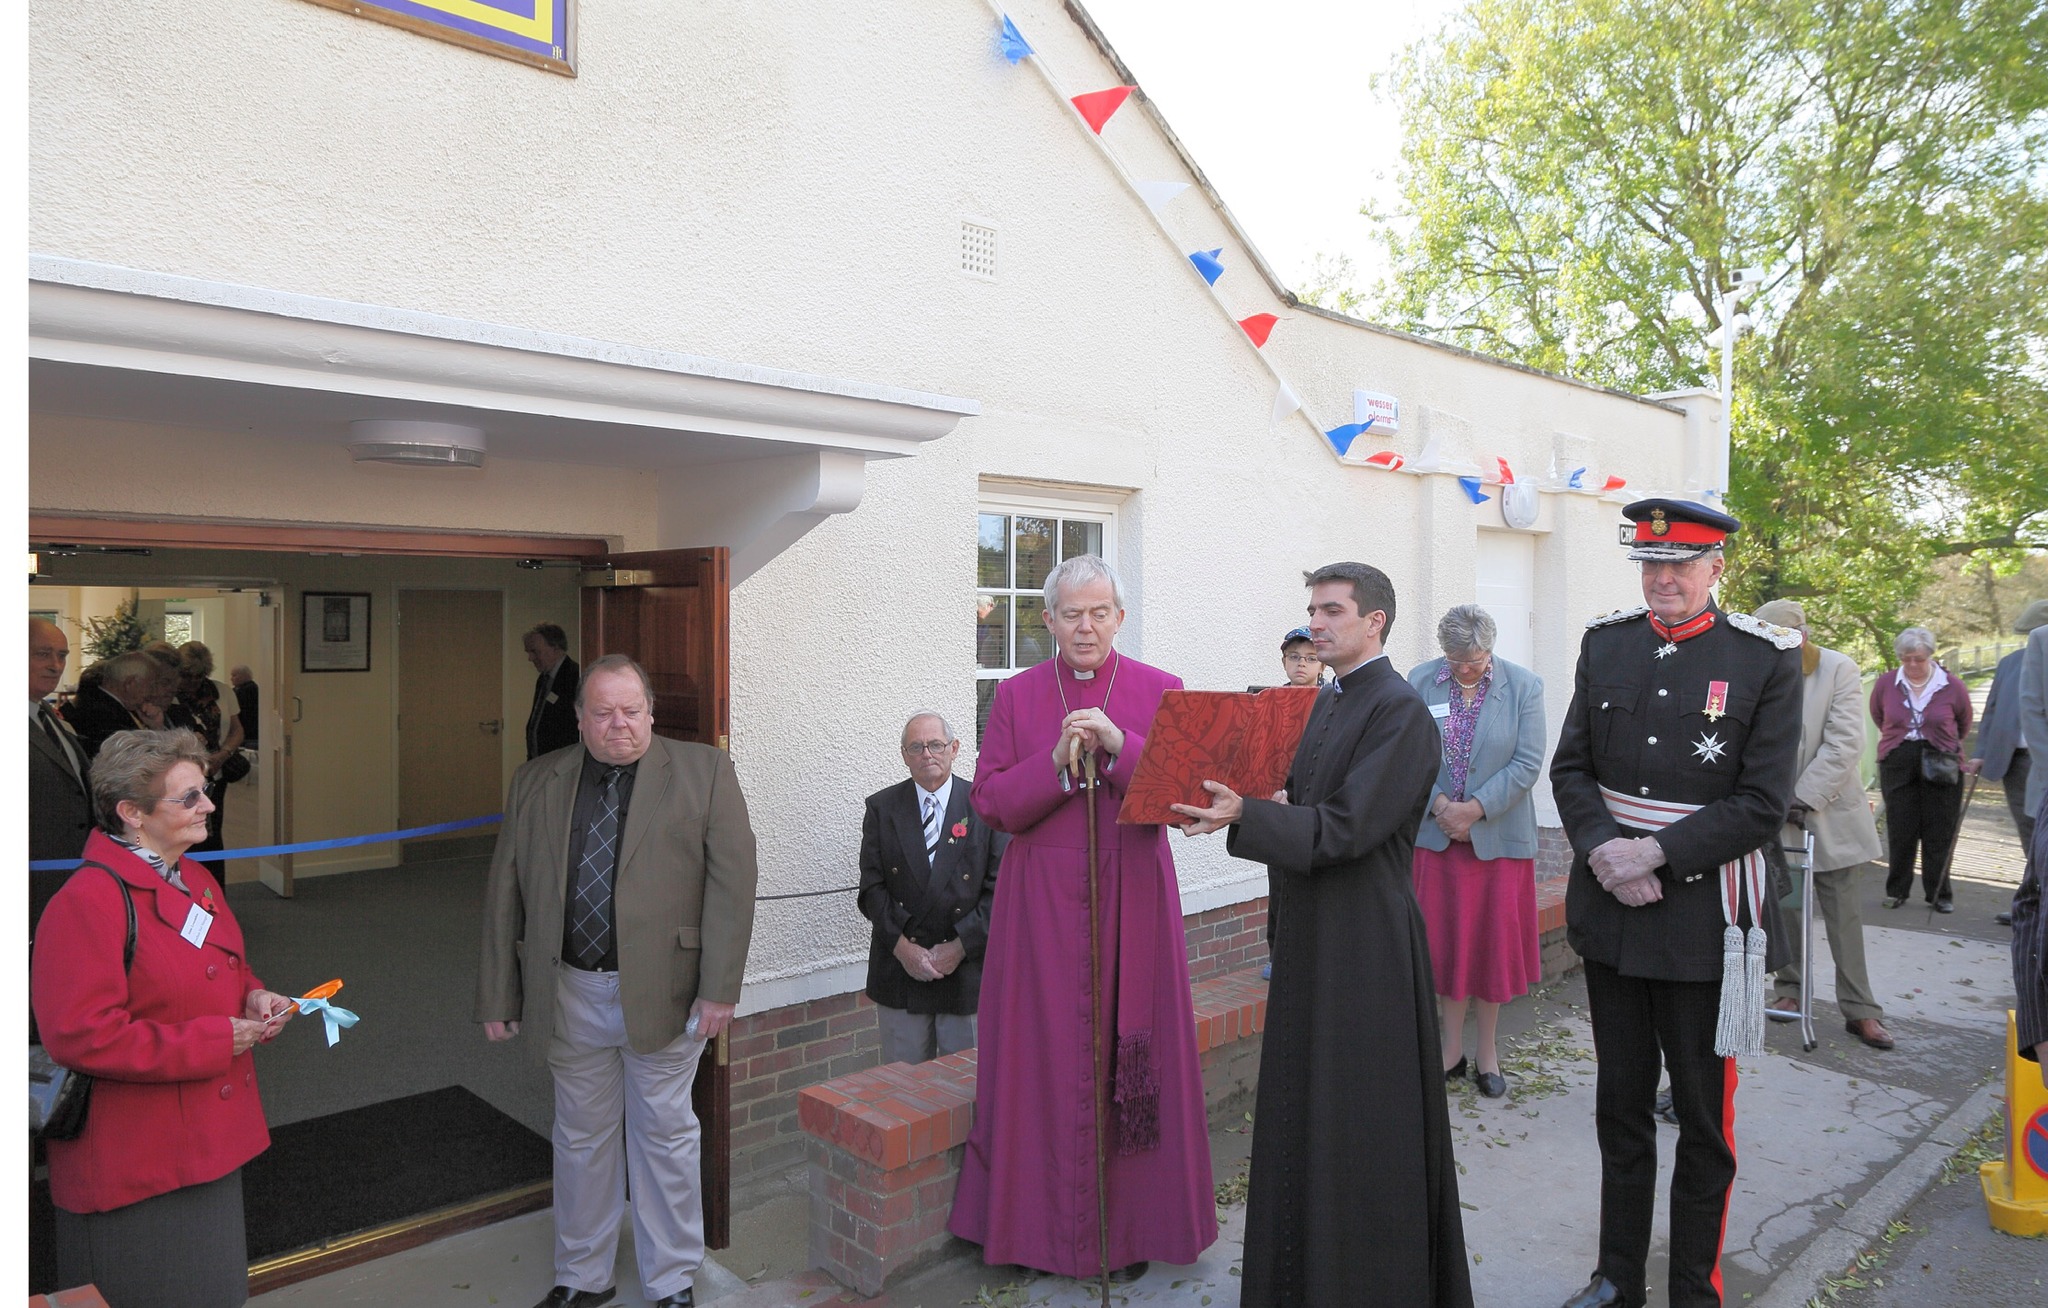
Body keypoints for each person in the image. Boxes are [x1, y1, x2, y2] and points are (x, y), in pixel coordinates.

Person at [1178, 561, 1473, 1308]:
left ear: (1374, 620)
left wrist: (1250, 813)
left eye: (1333, 610)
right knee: (1304, 1119)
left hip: (1365, 947)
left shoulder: (1400, 712)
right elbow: (1303, 808)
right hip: (1311, 934)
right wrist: (1243, 805)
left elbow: (1346, 830)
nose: (1318, 622)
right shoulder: (1327, 701)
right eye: (1313, 609)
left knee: (1358, 1129)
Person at [1548, 498, 1802, 1308]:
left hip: (1703, 921)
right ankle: (1617, 1278)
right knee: (1620, 1111)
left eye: (1680, 564)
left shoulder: (1763, 660)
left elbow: (1763, 803)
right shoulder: (1607, 643)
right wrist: (1605, 853)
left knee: (1701, 1123)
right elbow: (1572, 769)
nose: (1663, 578)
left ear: (1716, 567)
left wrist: (1654, 852)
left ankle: (1696, 1289)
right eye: (1651, 564)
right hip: (1614, 912)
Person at [949, 555, 1216, 1280]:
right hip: (1038, 908)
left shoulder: (1161, 691)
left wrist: (1120, 747)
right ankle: (1036, 1236)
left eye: (1100, 612)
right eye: (1072, 613)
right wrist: (1061, 764)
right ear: (1049, 620)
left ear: (1120, 618)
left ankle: (1126, 1235)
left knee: (1128, 1056)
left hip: (1133, 893)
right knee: (1041, 1063)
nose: (1086, 625)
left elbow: (1183, 799)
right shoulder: (1017, 695)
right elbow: (993, 802)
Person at [476, 653, 757, 1308]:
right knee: (580, 1138)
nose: (618, 725)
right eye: (602, 713)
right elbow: (504, 890)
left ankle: (671, 1281)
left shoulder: (704, 772)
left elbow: (732, 886)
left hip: (666, 994)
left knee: (663, 1138)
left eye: (631, 711)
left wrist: (720, 988)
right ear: (578, 719)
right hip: (569, 989)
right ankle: (583, 1275)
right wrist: (498, 992)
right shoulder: (537, 781)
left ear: (651, 713)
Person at [31, 729, 297, 1308]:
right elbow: (79, 1035)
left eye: (204, 791)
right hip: (137, 1159)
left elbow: (219, 968)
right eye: (189, 798)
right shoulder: (87, 901)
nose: (209, 805)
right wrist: (214, 1040)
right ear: (132, 813)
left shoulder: (192, 876)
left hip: (203, 1139)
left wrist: (251, 997)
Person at [1408, 603, 1547, 1099]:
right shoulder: (1421, 681)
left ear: (1491, 648)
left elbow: (1528, 762)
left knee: (1489, 952)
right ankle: (1449, 1051)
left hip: (1499, 842)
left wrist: (1476, 810)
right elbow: (1408, 752)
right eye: (1455, 659)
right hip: (1436, 837)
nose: (1465, 667)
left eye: (1475, 658)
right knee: (1443, 950)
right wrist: (1442, 805)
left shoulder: (1524, 687)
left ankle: (1487, 1053)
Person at [1749, 601, 1894, 1050]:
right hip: (1774, 810)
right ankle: (1789, 991)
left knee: (1843, 917)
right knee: (1786, 909)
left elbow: (1846, 742)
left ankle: (1861, 1010)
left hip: (1828, 812)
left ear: (1804, 636)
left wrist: (1804, 796)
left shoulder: (1838, 669)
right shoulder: (1755, 668)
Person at [857, 712, 1005, 1064]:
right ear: (904, 755)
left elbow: (1001, 890)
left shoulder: (985, 806)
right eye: (917, 747)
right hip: (901, 971)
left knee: (965, 1092)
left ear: (954, 749)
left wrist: (959, 946)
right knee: (902, 1096)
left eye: (936, 745)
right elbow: (871, 890)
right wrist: (904, 948)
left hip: (967, 971)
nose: (927, 754)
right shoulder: (882, 808)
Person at [1869, 626, 1973, 912]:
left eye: (1918, 658)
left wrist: (1944, 743)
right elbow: (1880, 716)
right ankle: (1897, 890)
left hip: (1942, 759)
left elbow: (1964, 722)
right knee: (1900, 827)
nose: (1912, 664)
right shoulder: (1886, 683)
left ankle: (1939, 894)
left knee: (1939, 829)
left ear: (1930, 656)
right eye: (1906, 658)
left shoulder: (1952, 686)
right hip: (1898, 758)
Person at [1976, 600, 2048, 924]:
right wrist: (1979, 752)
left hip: (2040, 759)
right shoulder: (2009, 663)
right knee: (2028, 833)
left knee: (2040, 834)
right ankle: (2031, 900)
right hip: (2014, 760)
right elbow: (1990, 711)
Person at [30, 618, 93, 930]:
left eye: (62, 655)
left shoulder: (48, 716)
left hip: (69, 873)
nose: (56, 666)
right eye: (42, 654)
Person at [174, 642, 245, 857]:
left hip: (216, 772)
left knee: (212, 834)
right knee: (183, 835)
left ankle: (213, 886)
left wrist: (223, 755)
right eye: (188, 675)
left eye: (199, 675)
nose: (193, 681)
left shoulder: (221, 691)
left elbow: (237, 730)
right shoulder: (169, 695)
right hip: (181, 779)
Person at [62, 651, 159, 759]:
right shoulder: (102, 715)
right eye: (151, 685)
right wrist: (156, 731)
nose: (154, 692)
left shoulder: (108, 704)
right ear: (130, 683)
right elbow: (138, 761)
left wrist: (154, 726)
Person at [522, 622, 581, 760]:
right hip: (540, 760)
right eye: (528, 652)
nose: (530, 658)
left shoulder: (575, 677)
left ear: (555, 648)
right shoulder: (543, 679)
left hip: (562, 762)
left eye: (535, 651)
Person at [229, 664, 259, 746]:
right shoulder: (237, 690)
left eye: (234, 675)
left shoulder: (250, 690)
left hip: (248, 732)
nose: (231, 678)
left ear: (244, 676)